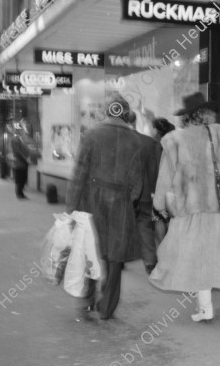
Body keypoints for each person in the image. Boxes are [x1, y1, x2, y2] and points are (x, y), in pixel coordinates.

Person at [149, 92, 220, 323]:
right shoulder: (219, 134)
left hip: (187, 209)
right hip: (217, 207)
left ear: (187, 116)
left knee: (180, 254)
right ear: (205, 113)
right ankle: (205, 306)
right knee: (209, 256)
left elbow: (165, 177)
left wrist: (158, 206)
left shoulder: (174, 140)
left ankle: (205, 306)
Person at [65, 92, 145, 320]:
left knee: (89, 249)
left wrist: (71, 207)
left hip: (92, 200)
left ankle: (88, 299)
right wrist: (129, 201)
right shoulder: (136, 140)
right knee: (114, 257)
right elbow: (137, 182)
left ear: (107, 111)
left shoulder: (92, 134)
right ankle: (107, 307)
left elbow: (79, 172)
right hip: (120, 203)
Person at [126, 110, 160, 275]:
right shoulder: (148, 142)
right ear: (134, 121)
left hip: (123, 194)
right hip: (145, 193)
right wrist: (153, 190)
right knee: (145, 225)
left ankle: (120, 259)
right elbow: (153, 169)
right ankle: (150, 261)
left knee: (121, 226)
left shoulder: (118, 141)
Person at [151, 117, 176, 249]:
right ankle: (170, 251)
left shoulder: (156, 145)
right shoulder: (172, 144)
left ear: (156, 130)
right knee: (169, 219)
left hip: (157, 186)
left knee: (158, 219)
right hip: (171, 186)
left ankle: (162, 252)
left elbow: (152, 167)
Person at [10, 118, 33, 199]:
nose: (23, 130)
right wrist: (26, 159)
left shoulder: (20, 138)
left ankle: (21, 193)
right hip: (20, 162)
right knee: (20, 178)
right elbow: (18, 151)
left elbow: (23, 149)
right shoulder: (15, 139)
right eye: (22, 129)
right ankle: (19, 194)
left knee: (23, 178)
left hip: (22, 162)